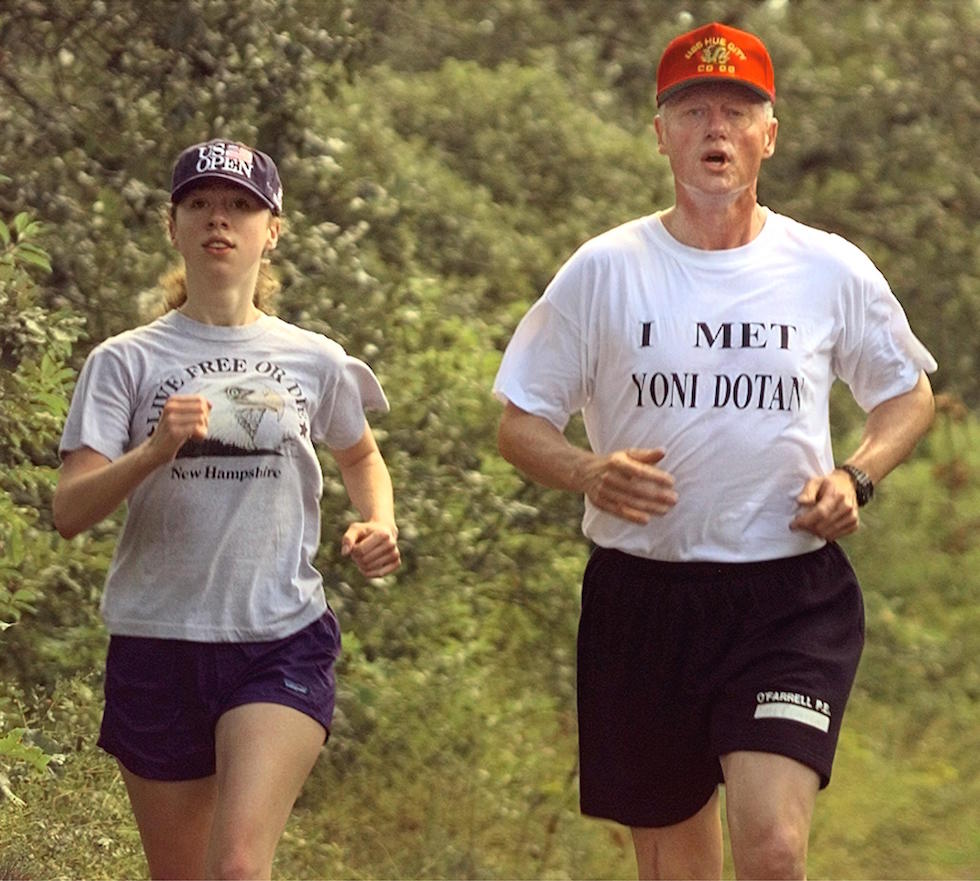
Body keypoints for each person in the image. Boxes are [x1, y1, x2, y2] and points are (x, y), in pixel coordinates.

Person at [493, 22, 937, 881]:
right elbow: (520, 423)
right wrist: (587, 470)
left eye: (737, 111)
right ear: (661, 133)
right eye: (693, 110)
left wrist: (857, 475)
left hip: (788, 596)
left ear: (770, 134)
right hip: (642, 598)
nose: (716, 129)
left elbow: (906, 394)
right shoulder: (603, 269)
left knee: (772, 849)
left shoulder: (827, 267)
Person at [54, 139, 400, 880]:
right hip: (157, 639)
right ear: (172, 225)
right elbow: (70, 510)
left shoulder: (315, 358)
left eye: (241, 206)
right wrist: (153, 451)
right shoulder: (124, 360)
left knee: (239, 866)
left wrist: (379, 521)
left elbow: (361, 455)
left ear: (271, 231)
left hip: (280, 636)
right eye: (201, 204)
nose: (220, 219)